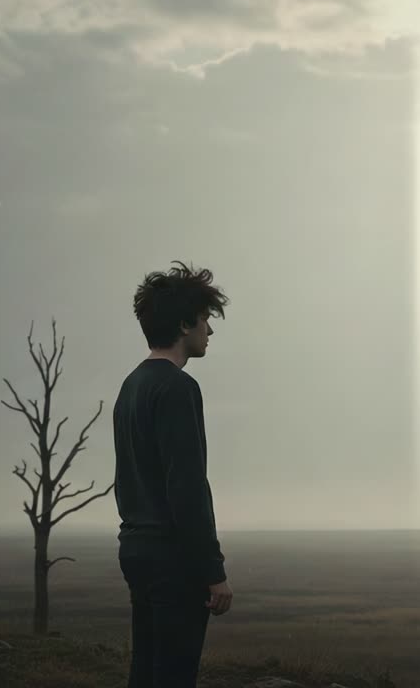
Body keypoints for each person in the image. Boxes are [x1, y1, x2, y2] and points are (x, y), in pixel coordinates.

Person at [113, 260, 234, 687]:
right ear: (185, 323)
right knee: (174, 677)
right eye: (204, 320)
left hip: (136, 548)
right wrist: (212, 570)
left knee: (145, 670)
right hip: (172, 557)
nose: (209, 330)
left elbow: (128, 479)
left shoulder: (131, 386)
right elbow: (185, 487)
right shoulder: (178, 388)